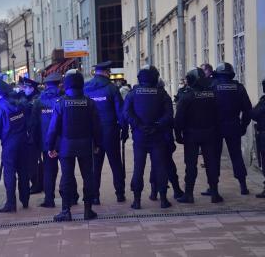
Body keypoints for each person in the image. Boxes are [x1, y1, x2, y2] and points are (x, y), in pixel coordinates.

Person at [47, 70, 101, 222]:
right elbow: (97, 127)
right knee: (88, 177)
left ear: (67, 85)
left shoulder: (61, 103)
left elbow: (53, 129)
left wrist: (50, 147)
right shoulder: (89, 103)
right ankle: (88, 210)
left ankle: (66, 210)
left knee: (67, 177)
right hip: (86, 145)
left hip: (66, 146)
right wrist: (97, 144)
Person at [123, 67, 173, 209]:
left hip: (139, 136)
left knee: (138, 167)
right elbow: (169, 114)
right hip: (157, 136)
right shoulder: (162, 94)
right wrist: (157, 125)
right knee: (160, 167)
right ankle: (163, 199)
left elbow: (126, 113)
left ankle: (137, 201)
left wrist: (138, 125)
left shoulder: (132, 94)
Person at [175, 68, 223, 204]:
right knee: (211, 163)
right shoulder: (213, 94)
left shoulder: (187, 96)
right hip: (210, 133)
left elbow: (179, 118)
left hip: (192, 135)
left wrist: (178, 135)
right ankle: (215, 193)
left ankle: (189, 194)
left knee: (190, 165)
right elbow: (219, 114)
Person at [84, 61, 127, 205]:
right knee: (115, 163)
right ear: (106, 72)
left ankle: (95, 196)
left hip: (92, 132)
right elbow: (120, 112)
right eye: (108, 71)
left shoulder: (86, 88)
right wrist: (124, 129)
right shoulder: (112, 88)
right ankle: (120, 193)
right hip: (110, 131)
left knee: (95, 165)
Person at [208, 62, 252, 195]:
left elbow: (206, 109)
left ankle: (213, 188)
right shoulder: (238, 88)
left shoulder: (213, 87)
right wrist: (243, 125)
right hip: (233, 125)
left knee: (214, 157)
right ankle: (243, 186)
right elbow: (247, 109)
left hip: (215, 127)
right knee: (236, 155)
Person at [0, 79, 30, 212]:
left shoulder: (0, 108)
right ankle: (25, 200)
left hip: (10, 144)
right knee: (23, 171)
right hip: (23, 141)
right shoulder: (18, 104)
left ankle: (11, 203)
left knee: (9, 173)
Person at [149, 77, 184, 201]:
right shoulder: (164, 97)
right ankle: (176, 190)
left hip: (152, 137)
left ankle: (154, 192)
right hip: (164, 136)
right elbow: (169, 117)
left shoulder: (149, 97)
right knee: (169, 164)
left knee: (154, 164)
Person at [38, 72, 63, 207]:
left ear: (46, 85)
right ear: (59, 84)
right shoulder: (63, 99)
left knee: (49, 170)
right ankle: (70, 196)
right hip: (63, 141)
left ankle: (49, 199)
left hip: (46, 142)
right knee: (66, 169)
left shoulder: (39, 101)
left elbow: (34, 123)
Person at [19, 77, 43, 194]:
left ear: (32, 88)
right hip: (31, 133)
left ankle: (36, 184)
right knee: (34, 160)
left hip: (34, 134)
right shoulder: (28, 97)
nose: (24, 89)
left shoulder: (36, 99)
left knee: (33, 161)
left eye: (26, 87)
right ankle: (37, 182)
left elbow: (33, 118)